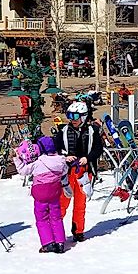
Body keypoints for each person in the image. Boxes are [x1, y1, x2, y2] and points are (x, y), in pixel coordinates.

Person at [54, 101, 102, 243]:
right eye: (70, 116)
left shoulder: (92, 131)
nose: (73, 120)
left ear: (83, 117)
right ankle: (56, 231)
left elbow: (98, 149)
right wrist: (64, 156)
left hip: (84, 172)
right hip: (67, 173)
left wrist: (88, 158)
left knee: (80, 204)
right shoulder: (63, 131)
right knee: (62, 202)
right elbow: (55, 149)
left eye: (76, 116)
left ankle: (78, 231)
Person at [13, 137, 68, 254]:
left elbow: (23, 171)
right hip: (54, 194)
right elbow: (64, 172)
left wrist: (18, 159)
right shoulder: (61, 161)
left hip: (40, 195)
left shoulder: (37, 163)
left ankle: (48, 243)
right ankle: (60, 242)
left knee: (42, 219)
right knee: (56, 217)